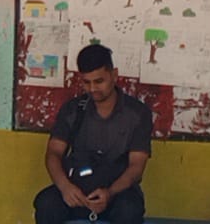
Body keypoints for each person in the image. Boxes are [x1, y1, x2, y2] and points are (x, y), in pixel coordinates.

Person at [33, 44, 152, 224]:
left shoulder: (138, 114)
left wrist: (110, 193)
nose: (93, 88)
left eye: (99, 81)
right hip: (77, 189)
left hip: (117, 192)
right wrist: (65, 187)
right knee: (46, 204)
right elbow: (53, 153)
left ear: (114, 75)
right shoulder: (72, 109)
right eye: (86, 82)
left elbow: (136, 166)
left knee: (129, 210)